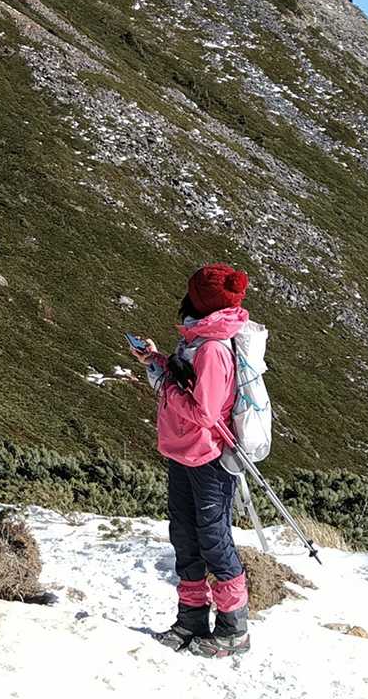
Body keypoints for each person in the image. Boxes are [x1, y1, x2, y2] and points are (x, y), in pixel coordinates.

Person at [131, 263, 252, 657]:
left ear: (200, 301)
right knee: (184, 536)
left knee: (213, 539)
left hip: (210, 458)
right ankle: (192, 619)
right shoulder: (196, 338)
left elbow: (205, 412)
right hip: (181, 451)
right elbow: (185, 382)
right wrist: (157, 360)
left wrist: (166, 385)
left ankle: (234, 629)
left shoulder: (213, 348)